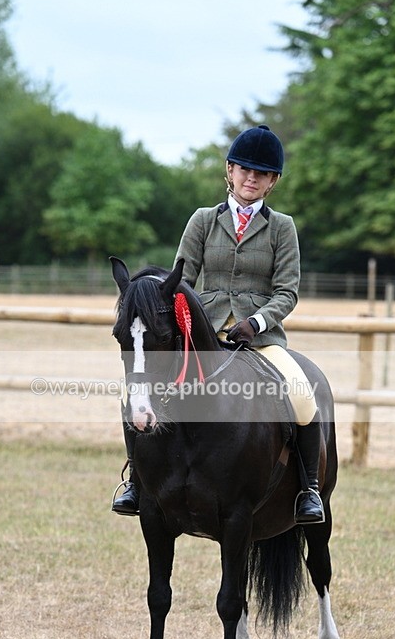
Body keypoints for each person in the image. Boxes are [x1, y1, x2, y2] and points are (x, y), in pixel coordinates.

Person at [112, 125, 324, 524]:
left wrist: (256, 322)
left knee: (301, 395)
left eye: (261, 173)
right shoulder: (203, 221)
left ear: (273, 181)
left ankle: (309, 491)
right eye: (244, 169)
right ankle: (136, 482)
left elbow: (287, 291)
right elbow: (179, 282)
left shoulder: (282, 228)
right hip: (199, 334)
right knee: (138, 393)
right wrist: (181, 323)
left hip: (260, 340)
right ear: (230, 170)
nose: (251, 178)